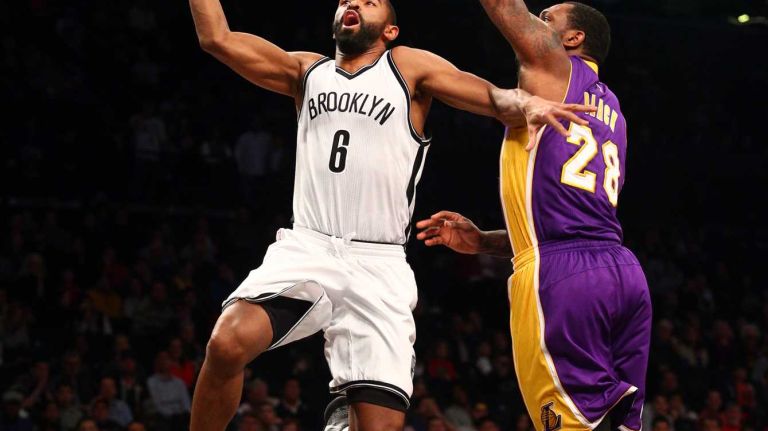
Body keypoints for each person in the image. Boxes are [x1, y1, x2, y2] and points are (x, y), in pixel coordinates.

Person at [187, 0, 592, 430]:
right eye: (346, 0)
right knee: (228, 343)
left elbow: (491, 97)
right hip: (310, 246)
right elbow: (218, 38)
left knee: (381, 426)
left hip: (378, 264)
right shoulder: (306, 72)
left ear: (390, 32)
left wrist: (525, 103)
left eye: (369, 1)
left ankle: (346, 410)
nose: (353, 3)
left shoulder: (406, 67)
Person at [416, 1, 651, 429]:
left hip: (561, 278)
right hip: (621, 272)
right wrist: (486, 241)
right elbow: (573, 219)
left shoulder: (555, 69)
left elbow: (504, 6)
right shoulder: (613, 109)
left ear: (573, 38)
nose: (536, 28)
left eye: (546, 21)